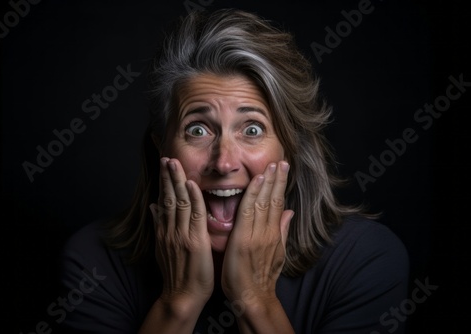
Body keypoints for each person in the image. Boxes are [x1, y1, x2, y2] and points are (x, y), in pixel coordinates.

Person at [57, 8, 409, 334]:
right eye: (198, 129)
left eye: (252, 129)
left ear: (290, 149)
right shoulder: (93, 260)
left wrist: (256, 300)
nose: (224, 163)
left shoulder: (367, 260)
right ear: (161, 149)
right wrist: (178, 302)